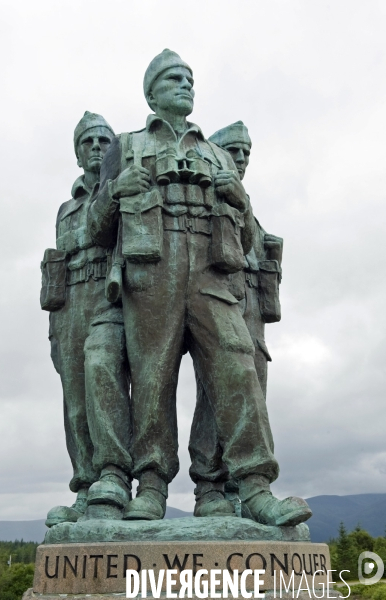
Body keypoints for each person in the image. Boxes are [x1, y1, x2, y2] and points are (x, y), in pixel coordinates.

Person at [88, 50, 311, 527]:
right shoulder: (123, 147)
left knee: (237, 366)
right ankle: (150, 485)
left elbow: (248, 237)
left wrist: (239, 197)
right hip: (152, 271)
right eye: (172, 78)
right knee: (152, 378)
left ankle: (254, 486)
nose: (185, 84)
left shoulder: (214, 153)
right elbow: (94, 230)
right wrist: (114, 191)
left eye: (189, 78)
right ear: (151, 92)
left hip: (212, 274)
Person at [189, 121, 285, 519]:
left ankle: (235, 487)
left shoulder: (248, 209)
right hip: (216, 303)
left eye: (246, 152)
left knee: (249, 393)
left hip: (252, 320)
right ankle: (210, 484)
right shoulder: (208, 201)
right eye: (234, 151)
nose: (241, 158)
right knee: (214, 398)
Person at [42, 112, 132, 527]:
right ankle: (86, 488)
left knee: (102, 377)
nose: (95, 148)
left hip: (107, 296)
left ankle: (115, 480)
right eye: (87, 143)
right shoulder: (65, 208)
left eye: (102, 141)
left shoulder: (123, 187)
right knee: (75, 405)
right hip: (68, 305)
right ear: (78, 153)